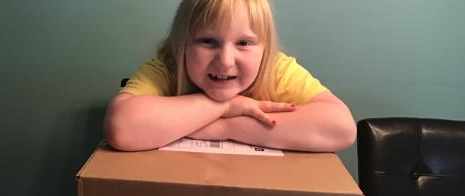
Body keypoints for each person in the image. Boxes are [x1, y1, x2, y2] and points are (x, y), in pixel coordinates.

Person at [103, 0, 356, 152]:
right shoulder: (168, 66)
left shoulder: (275, 69)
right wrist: (227, 105)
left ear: (264, 48)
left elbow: (341, 129)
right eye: (208, 41)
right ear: (181, 45)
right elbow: (121, 127)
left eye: (244, 43)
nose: (225, 61)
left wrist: (223, 126)